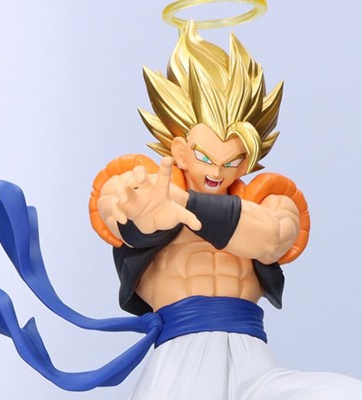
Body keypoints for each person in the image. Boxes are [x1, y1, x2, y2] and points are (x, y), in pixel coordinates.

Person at [89, 21, 362, 399]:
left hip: (255, 362)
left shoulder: (268, 199)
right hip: (178, 362)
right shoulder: (144, 182)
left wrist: (185, 204)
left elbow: (272, 239)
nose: (217, 172)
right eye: (205, 157)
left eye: (231, 160)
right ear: (180, 150)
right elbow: (118, 212)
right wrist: (139, 215)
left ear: (248, 158)